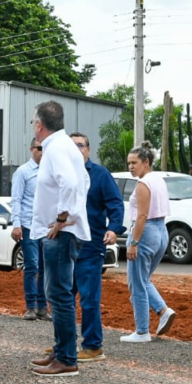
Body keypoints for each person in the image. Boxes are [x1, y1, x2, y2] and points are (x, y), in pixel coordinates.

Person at [27, 101, 90, 377]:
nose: (33, 127)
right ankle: (61, 349)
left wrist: (63, 217)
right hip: (62, 231)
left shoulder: (55, 149)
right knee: (58, 293)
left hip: (60, 233)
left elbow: (71, 183)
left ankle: (66, 358)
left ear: (39, 125)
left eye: (33, 123)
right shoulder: (65, 147)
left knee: (58, 295)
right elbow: (82, 181)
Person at [70, 132, 125, 362]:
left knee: (89, 298)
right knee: (63, 297)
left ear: (88, 149)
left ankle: (93, 346)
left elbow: (115, 203)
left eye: (81, 145)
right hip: (66, 244)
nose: (77, 150)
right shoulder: (64, 175)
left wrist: (113, 228)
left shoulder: (100, 175)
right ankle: (64, 344)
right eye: (72, 147)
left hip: (91, 246)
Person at [120, 141, 175, 343]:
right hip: (161, 231)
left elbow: (142, 216)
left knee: (137, 283)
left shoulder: (143, 184)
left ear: (146, 162)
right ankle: (163, 311)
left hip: (146, 232)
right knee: (141, 280)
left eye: (134, 162)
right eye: (128, 163)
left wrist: (134, 242)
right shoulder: (158, 180)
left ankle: (142, 331)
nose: (131, 167)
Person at [10, 140, 48, 320]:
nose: (42, 151)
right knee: (32, 266)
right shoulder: (23, 172)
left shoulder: (49, 171)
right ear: (32, 149)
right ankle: (31, 306)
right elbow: (16, 199)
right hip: (28, 225)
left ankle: (43, 307)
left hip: (45, 226)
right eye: (39, 148)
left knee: (45, 267)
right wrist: (16, 224)